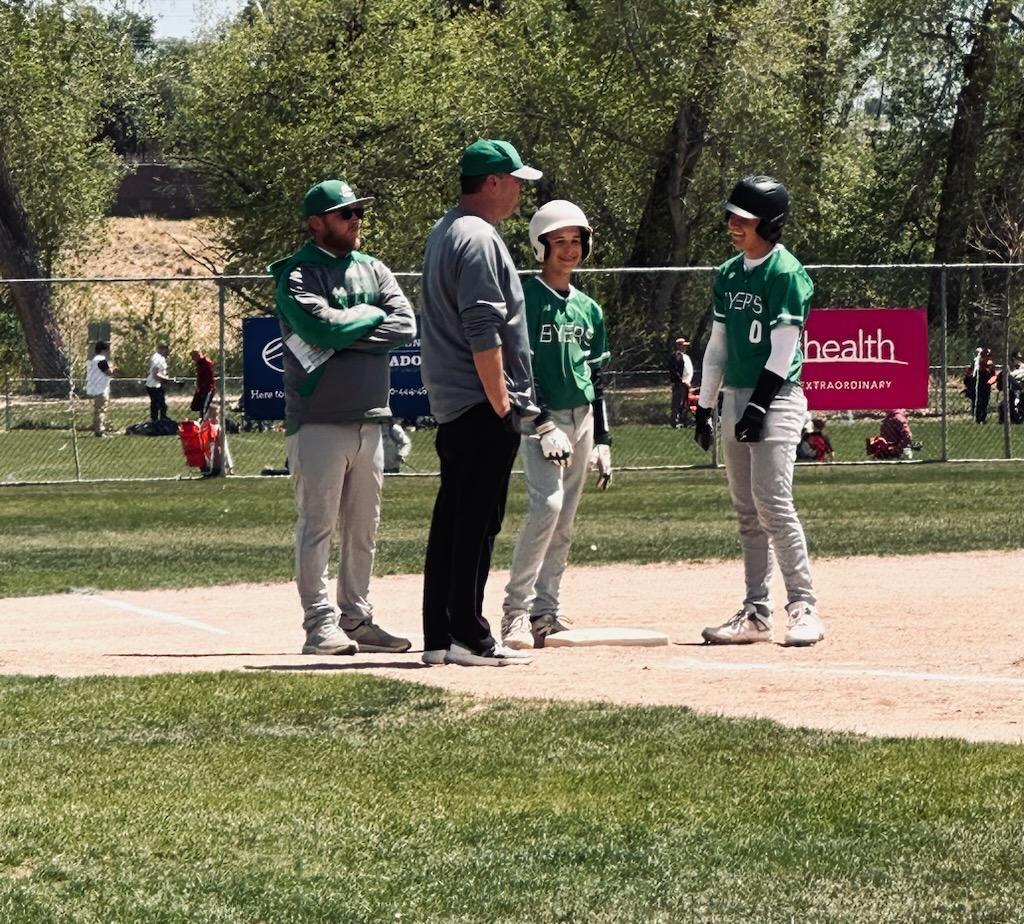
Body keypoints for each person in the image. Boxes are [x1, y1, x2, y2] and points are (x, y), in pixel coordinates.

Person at [269, 178, 416, 656]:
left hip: (371, 418)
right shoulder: (297, 273)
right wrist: (368, 319)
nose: (356, 220)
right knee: (318, 525)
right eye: (345, 213)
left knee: (363, 526)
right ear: (317, 223)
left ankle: (357, 617)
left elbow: (406, 324)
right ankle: (319, 625)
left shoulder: (373, 268)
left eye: (357, 212)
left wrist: (351, 325)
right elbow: (317, 327)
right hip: (318, 419)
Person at [419, 138, 543, 668]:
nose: (519, 190)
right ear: (492, 182)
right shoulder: (478, 237)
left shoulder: (446, 229)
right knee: (476, 520)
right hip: (480, 402)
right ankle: (469, 634)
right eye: (514, 180)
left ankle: (439, 635)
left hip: (455, 403)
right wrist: (501, 402)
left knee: (453, 518)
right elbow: (482, 326)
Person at [692, 174, 824, 647]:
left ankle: (803, 606)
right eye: (731, 216)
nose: (733, 224)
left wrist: (758, 409)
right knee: (746, 510)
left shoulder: (786, 273)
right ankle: (755, 612)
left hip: (779, 396)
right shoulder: (728, 273)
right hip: (737, 395)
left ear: (769, 224)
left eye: (743, 218)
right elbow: (718, 346)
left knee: (773, 502)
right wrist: (704, 405)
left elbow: (783, 352)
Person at [501, 200, 612, 650]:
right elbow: (517, 369)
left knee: (565, 519)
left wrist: (603, 437)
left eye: (576, 241)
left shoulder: (589, 308)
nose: (569, 249)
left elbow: (596, 376)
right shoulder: (527, 299)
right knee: (545, 507)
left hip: (582, 417)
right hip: (539, 419)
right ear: (540, 246)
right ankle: (515, 612)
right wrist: (543, 422)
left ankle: (546, 611)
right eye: (560, 242)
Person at [84, 340, 117, 437]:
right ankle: (99, 430)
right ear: (104, 350)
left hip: (96, 387)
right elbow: (108, 372)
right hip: (101, 389)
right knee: (101, 410)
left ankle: (96, 427)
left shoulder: (93, 360)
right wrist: (115, 369)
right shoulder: (101, 360)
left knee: (97, 410)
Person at [668, 337, 694, 428]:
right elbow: (674, 371)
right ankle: (675, 421)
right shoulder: (676, 356)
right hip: (680, 383)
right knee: (677, 403)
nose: (685, 347)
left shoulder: (685, 356)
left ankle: (683, 420)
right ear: (679, 346)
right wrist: (681, 381)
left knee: (684, 403)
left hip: (686, 383)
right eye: (683, 346)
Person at [145, 343, 174, 421]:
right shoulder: (157, 358)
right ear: (163, 349)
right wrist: (167, 380)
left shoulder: (161, 358)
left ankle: (158, 420)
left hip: (157, 385)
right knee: (159, 405)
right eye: (167, 350)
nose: (168, 352)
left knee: (158, 405)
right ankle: (158, 421)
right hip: (153, 385)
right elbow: (155, 374)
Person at [190, 348, 216, 420]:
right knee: (196, 406)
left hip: (208, 388)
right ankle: (204, 419)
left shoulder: (206, 363)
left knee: (204, 407)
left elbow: (207, 378)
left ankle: (204, 421)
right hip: (201, 388)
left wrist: (203, 387)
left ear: (197, 355)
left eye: (193, 357)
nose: (193, 360)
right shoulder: (199, 364)